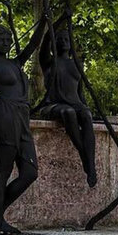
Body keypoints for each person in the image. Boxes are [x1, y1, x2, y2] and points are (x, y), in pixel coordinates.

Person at [0, 20, 45, 235]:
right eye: (1, 40)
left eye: (8, 39)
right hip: (5, 115)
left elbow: (33, 44)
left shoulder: (15, 63)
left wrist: (45, 20)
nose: (6, 43)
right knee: (3, 171)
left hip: (22, 117)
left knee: (30, 172)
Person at [38, 23, 97, 187]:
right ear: (54, 42)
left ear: (71, 44)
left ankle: (91, 165)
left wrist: (85, 106)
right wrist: (58, 20)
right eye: (59, 39)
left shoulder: (77, 64)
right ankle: (85, 157)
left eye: (66, 39)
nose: (63, 42)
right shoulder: (48, 62)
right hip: (53, 105)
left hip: (75, 103)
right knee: (68, 112)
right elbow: (45, 40)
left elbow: (80, 91)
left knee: (86, 114)